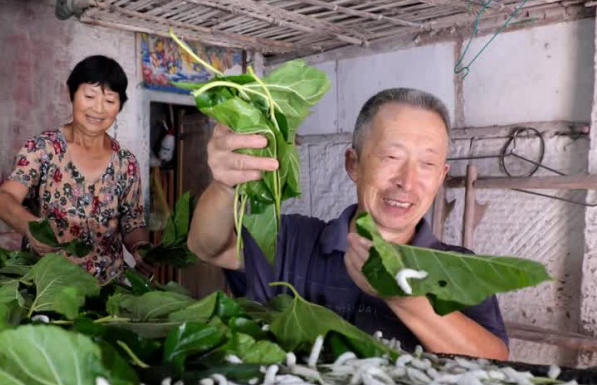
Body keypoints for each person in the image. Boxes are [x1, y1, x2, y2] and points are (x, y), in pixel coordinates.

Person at [188, 87, 509, 360]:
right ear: (353, 164)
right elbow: (210, 248)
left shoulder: (462, 270)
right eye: (391, 157)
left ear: (441, 177)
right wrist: (224, 185)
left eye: (427, 163)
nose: (407, 182)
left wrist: (404, 297)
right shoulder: (292, 239)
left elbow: (496, 360)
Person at [0, 55, 151, 284]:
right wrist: (30, 227)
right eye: (89, 96)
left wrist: (140, 248)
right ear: (71, 93)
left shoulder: (126, 163)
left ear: (120, 106)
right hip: (49, 287)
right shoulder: (44, 148)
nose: (98, 109)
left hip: (107, 288)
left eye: (109, 100)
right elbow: (2, 199)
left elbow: (132, 223)